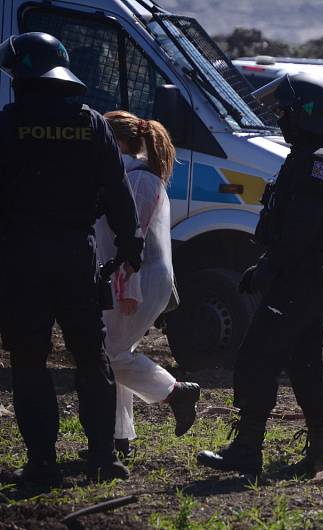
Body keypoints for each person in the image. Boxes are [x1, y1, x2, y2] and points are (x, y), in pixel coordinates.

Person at [0, 32, 143, 484]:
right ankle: (103, 457)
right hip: (77, 254)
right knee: (91, 356)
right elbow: (118, 191)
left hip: (21, 257)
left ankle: (42, 463)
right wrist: (129, 244)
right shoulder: (90, 123)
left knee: (28, 360)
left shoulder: (7, 123)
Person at [197, 73, 323, 478]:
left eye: (284, 111)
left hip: (299, 282)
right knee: (303, 362)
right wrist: (267, 265)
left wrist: (269, 267)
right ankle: (321, 448)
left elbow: (299, 232)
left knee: (256, 359)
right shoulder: (309, 157)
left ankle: (248, 447)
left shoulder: (316, 162)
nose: (279, 118)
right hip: (304, 281)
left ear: (303, 115)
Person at [96, 110, 200, 458]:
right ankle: (117, 437)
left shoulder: (139, 181)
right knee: (113, 352)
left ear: (118, 142)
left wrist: (129, 288)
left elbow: (133, 241)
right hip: (128, 277)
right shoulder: (130, 177)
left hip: (137, 279)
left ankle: (175, 392)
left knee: (112, 355)